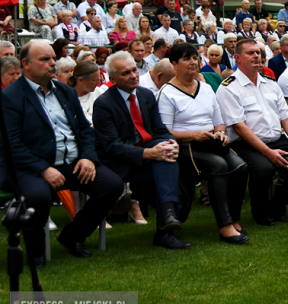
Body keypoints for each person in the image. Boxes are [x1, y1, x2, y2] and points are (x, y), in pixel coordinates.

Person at [3, 41, 124, 266]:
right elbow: (11, 144)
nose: (52, 64)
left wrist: (87, 157)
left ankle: (73, 235)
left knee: (112, 185)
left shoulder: (65, 91)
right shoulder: (11, 96)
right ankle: (35, 250)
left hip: (71, 163)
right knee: (38, 196)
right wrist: (43, 169)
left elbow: (85, 131)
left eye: (52, 59)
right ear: (26, 64)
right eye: (45, 60)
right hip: (31, 168)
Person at [217, 39, 288, 225]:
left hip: (276, 138)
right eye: (251, 53)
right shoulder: (229, 87)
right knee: (264, 169)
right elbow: (240, 127)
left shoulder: (270, 84)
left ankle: (276, 206)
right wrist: (268, 153)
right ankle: (260, 212)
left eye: (258, 52)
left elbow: (286, 117)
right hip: (245, 143)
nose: (257, 56)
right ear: (237, 58)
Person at [93, 51, 190, 250]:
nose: (133, 76)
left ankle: (168, 218)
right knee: (165, 160)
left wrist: (171, 143)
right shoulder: (103, 104)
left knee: (168, 156)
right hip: (120, 161)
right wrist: (149, 153)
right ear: (112, 79)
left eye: (134, 71)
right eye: (126, 73)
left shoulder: (145, 95)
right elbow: (112, 146)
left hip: (148, 153)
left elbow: (160, 130)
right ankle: (167, 221)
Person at [157, 43, 249, 244]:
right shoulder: (167, 93)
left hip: (210, 142)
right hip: (185, 146)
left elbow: (220, 121)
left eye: (195, 58)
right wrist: (193, 135)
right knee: (219, 166)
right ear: (174, 64)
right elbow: (164, 132)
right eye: (186, 59)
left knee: (240, 167)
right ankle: (224, 226)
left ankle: (234, 219)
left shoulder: (206, 88)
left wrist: (221, 133)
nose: (193, 62)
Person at [67, 60, 106, 124]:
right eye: (94, 80)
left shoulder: (99, 92)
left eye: (99, 79)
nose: (98, 83)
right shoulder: (67, 97)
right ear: (81, 80)